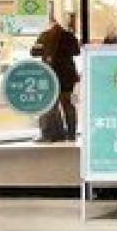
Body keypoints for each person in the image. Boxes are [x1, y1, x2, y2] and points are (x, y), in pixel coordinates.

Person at [34, 12, 82, 141]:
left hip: (51, 75)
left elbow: (34, 52)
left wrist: (45, 50)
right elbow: (77, 51)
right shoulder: (69, 36)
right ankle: (71, 134)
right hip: (67, 76)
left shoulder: (44, 35)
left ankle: (52, 135)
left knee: (51, 105)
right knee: (68, 105)